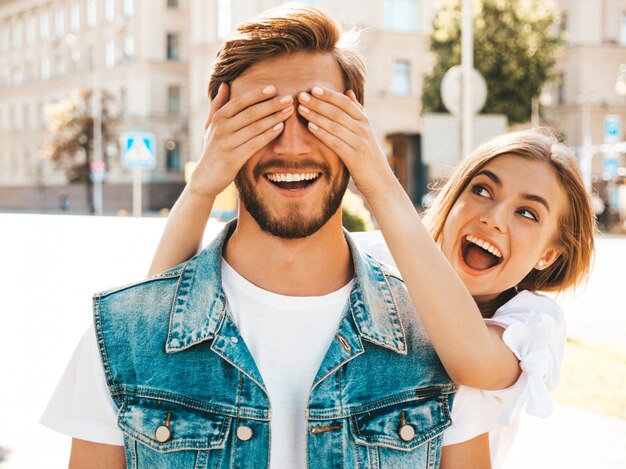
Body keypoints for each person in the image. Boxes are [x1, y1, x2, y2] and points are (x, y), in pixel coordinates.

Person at [40, 6, 471, 469]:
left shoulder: (444, 339)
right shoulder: (120, 335)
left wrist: (380, 182)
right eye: (260, 118)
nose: (291, 145)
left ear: (356, 128)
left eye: (317, 115)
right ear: (218, 133)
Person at [144, 108, 595, 469]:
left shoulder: (533, 323)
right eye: (481, 190)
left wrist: (377, 179)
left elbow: (471, 360)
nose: (494, 217)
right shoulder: (373, 260)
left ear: (548, 255)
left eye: (528, 213)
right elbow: (159, 315)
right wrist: (203, 186)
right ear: (452, 197)